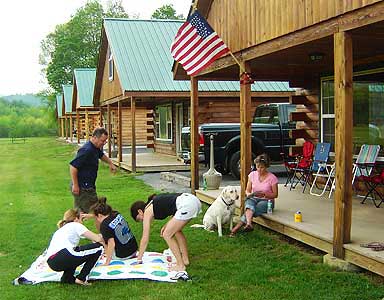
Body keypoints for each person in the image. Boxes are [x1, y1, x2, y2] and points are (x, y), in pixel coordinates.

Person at [130, 193, 201, 273]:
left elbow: (145, 238)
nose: (142, 221)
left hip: (187, 204)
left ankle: (180, 265)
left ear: (140, 211)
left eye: (140, 219)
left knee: (167, 234)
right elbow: (173, 209)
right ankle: (185, 260)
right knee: (176, 231)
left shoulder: (147, 211)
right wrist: (167, 225)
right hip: (192, 200)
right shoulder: (153, 203)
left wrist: (139, 258)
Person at [46, 209, 104, 286]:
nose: (82, 222)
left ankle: (67, 278)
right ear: (76, 219)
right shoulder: (76, 225)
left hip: (52, 262)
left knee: (76, 254)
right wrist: (109, 237)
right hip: (63, 255)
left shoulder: (62, 229)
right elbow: (97, 239)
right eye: (81, 219)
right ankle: (81, 278)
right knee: (99, 248)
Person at [229, 153, 278, 237]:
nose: (259, 169)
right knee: (249, 204)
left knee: (250, 209)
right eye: (257, 167)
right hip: (254, 198)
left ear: (266, 167)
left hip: (267, 201)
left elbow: (275, 194)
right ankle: (248, 224)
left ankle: (236, 229)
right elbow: (247, 190)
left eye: (262, 167)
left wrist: (265, 194)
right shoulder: (252, 175)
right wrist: (249, 194)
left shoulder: (272, 178)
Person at [69, 127, 117, 213]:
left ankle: (75, 224)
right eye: (102, 141)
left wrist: (110, 163)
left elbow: (101, 155)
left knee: (88, 211)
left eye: (105, 141)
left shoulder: (95, 148)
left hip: (89, 186)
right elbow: (73, 167)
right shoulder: (86, 150)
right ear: (94, 138)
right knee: (94, 212)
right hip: (83, 188)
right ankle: (74, 224)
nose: (104, 143)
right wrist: (75, 185)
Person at [89, 197, 138, 266]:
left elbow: (111, 244)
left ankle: (107, 254)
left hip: (123, 255)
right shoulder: (116, 214)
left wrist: (107, 262)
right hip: (134, 250)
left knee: (96, 238)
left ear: (99, 215)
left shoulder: (105, 225)